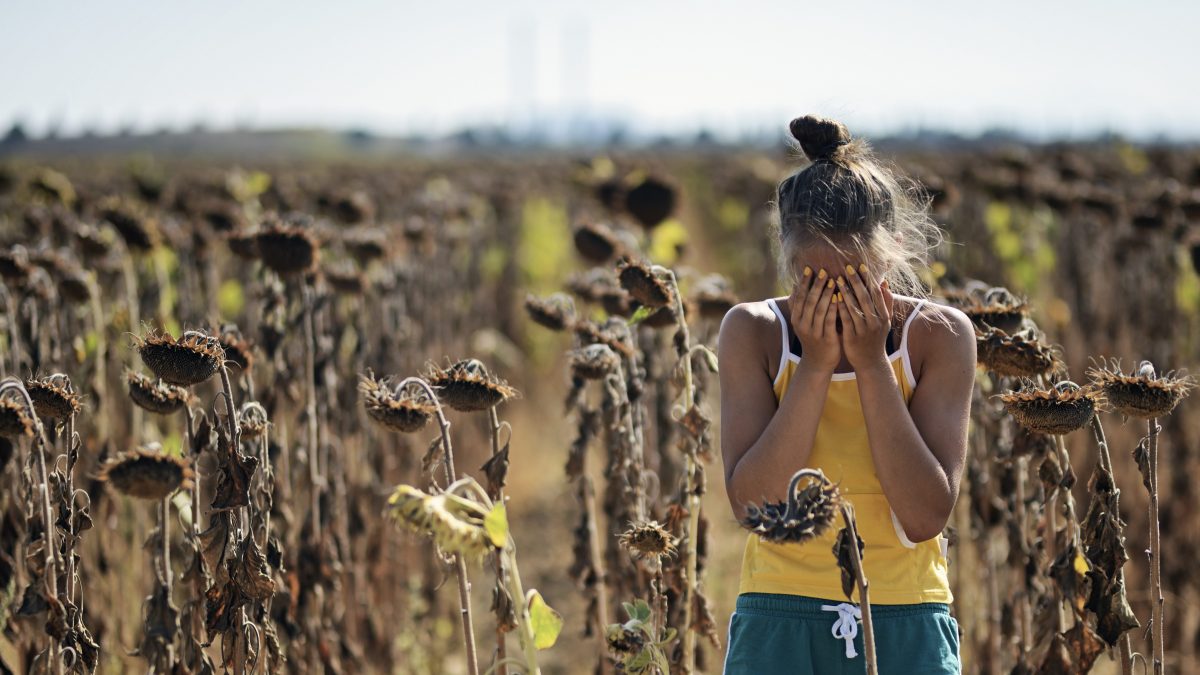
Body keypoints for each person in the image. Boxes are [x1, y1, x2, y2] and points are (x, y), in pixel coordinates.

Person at [717, 115, 976, 674]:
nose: (836, 304)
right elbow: (754, 506)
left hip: (905, 616)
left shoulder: (940, 337)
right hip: (779, 613)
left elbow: (925, 513)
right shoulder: (753, 331)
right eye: (815, 284)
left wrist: (870, 365)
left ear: (895, 258)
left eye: (856, 283)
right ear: (786, 264)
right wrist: (813, 368)